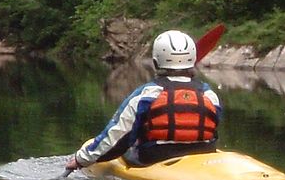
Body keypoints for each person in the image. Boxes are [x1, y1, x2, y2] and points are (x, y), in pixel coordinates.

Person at [65, 29, 221, 172]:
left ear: (155, 62)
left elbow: (117, 138)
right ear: (192, 60)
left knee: (128, 147)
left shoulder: (146, 95)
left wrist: (80, 160)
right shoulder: (209, 95)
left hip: (154, 158)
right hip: (202, 157)